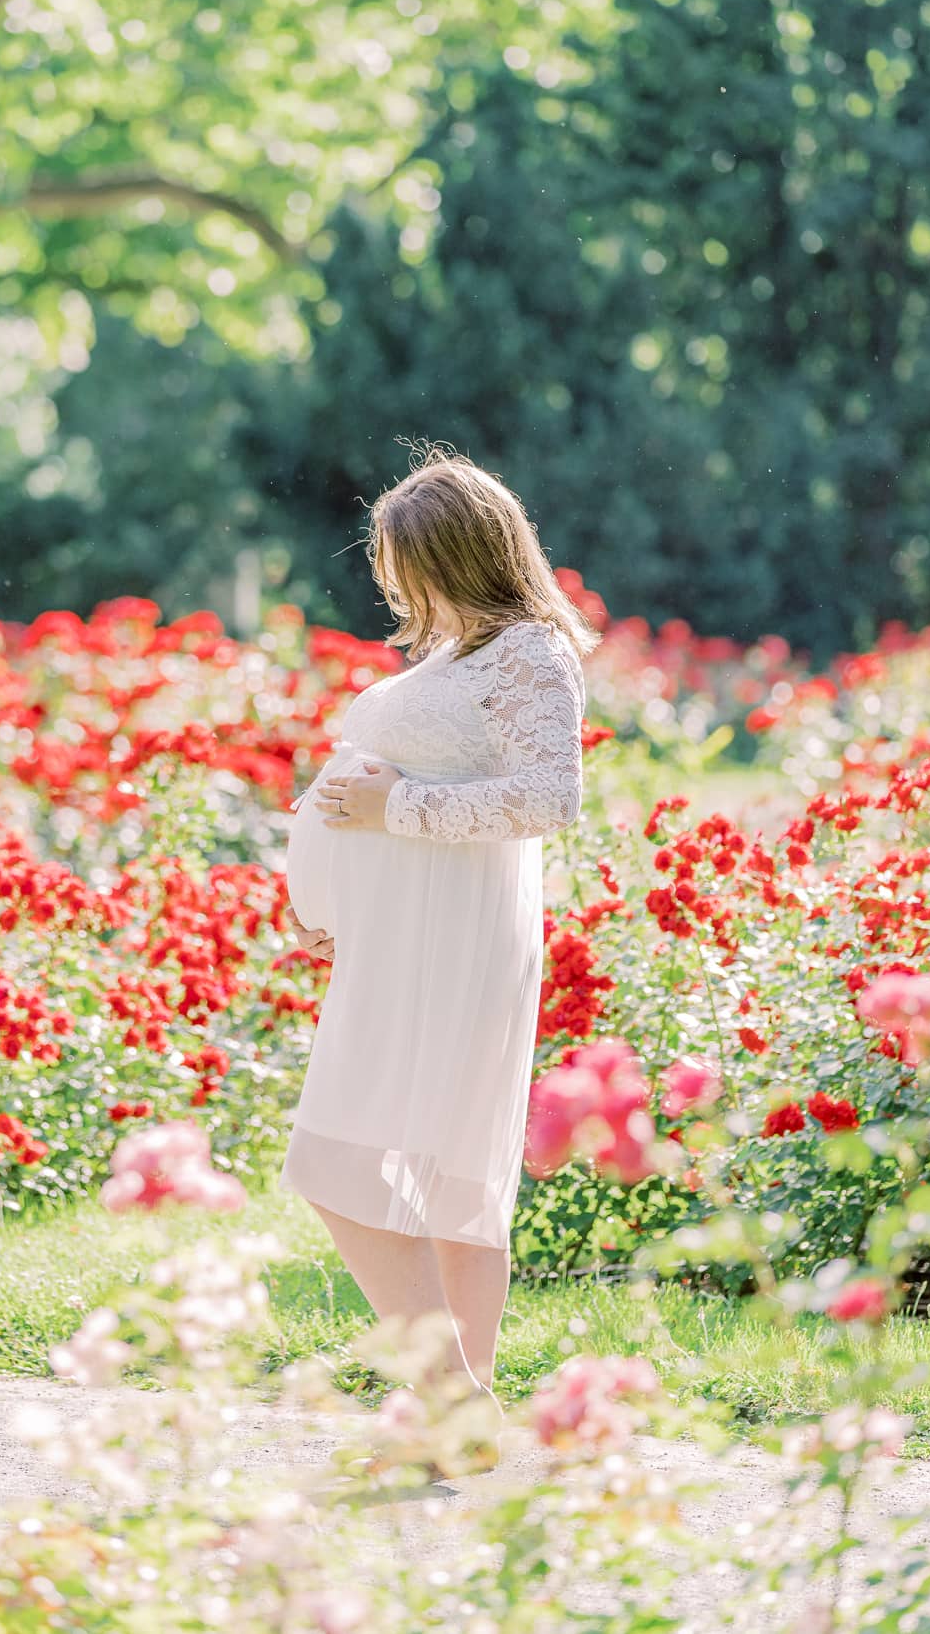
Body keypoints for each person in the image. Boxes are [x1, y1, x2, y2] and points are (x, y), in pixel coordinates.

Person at [279, 444, 599, 1430]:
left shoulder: (532, 654)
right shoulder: (454, 656)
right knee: (448, 1177)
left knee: (337, 1163)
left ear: (460, 555)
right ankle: (456, 1424)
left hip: (453, 943)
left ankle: (450, 1406)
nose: (394, 579)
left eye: (405, 559)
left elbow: (552, 797)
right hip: (404, 939)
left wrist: (396, 811)